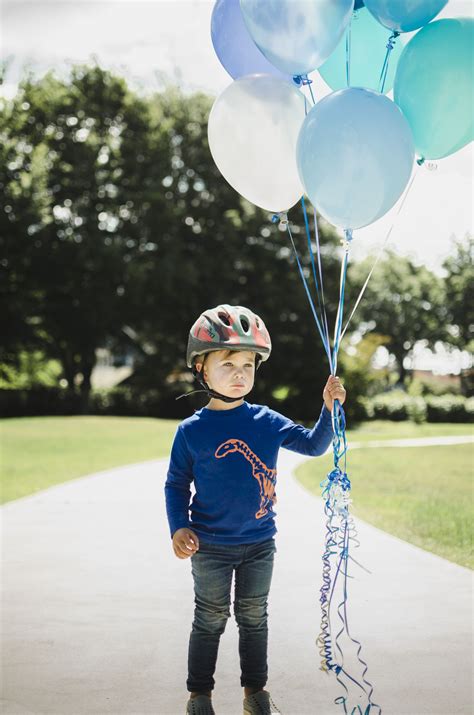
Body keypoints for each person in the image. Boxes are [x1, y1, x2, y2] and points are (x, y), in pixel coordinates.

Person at [164, 304, 347, 715]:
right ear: (201, 368)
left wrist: (329, 408)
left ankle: (255, 694)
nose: (240, 372)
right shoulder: (191, 431)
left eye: (248, 363)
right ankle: (199, 696)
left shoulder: (265, 421)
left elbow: (313, 445)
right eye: (228, 362)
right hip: (209, 546)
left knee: (254, 618)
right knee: (209, 619)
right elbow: (176, 484)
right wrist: (179, 527)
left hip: (259, 543)